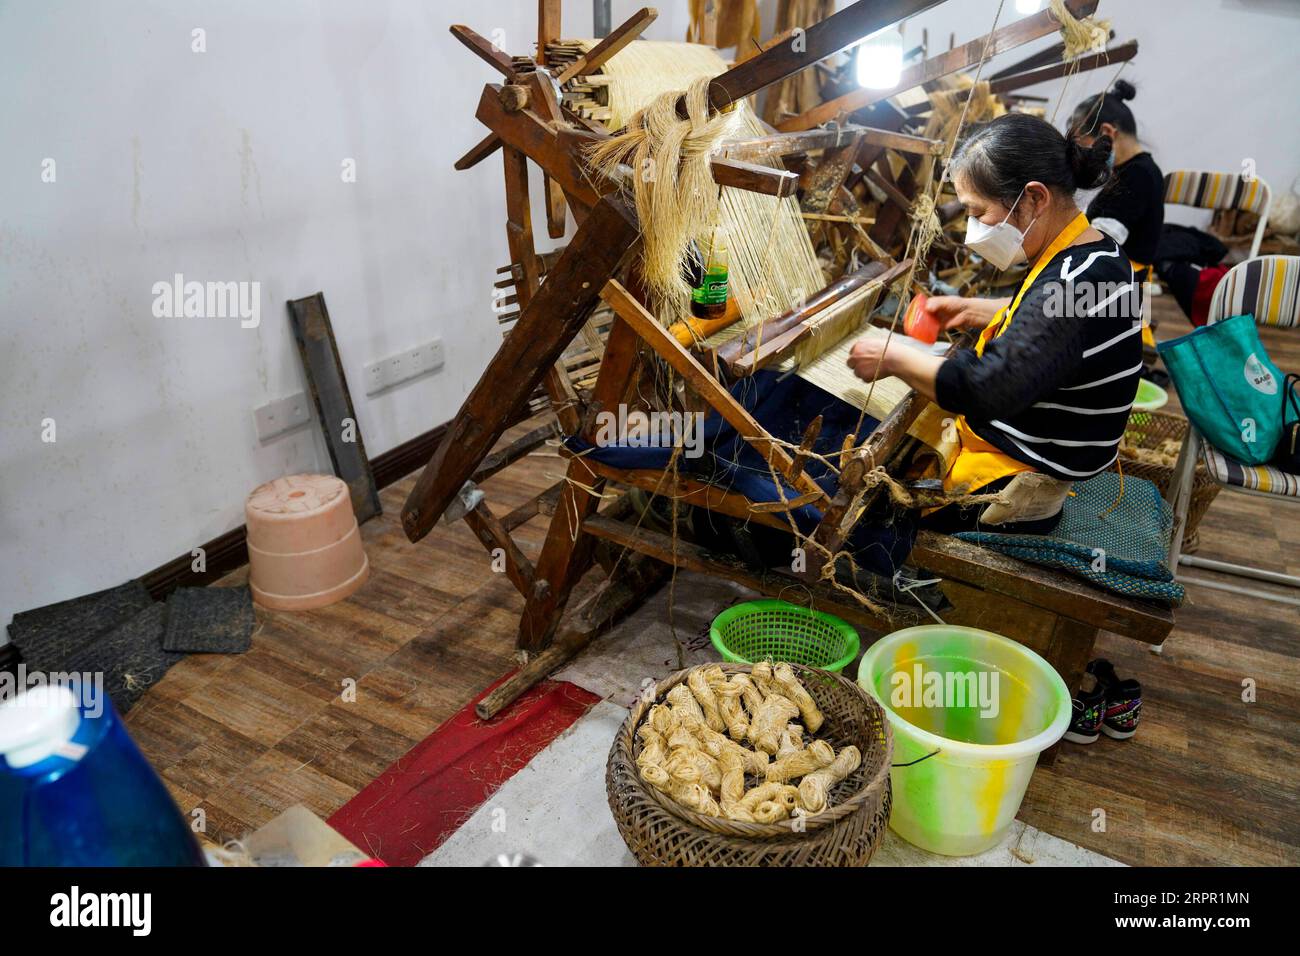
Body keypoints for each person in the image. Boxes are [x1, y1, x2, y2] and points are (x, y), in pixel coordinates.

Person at [847, 112, 1142, 533]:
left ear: (1034, 198)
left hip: (1014, 491)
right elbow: (1069, 325)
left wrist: (893, 357)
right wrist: (987, 310)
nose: (973, 230)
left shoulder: (1074, 280)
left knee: (863, 509)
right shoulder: (1098, 253)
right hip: (1048, 458)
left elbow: (986, 388)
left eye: (978, 212)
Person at [1069, 80, 1164, 269]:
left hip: (1121, 279)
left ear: (1106, 132)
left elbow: (1104, 239)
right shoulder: (1127, 169)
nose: (1084, 152)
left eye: (1084, 144)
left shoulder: (1139, 174)